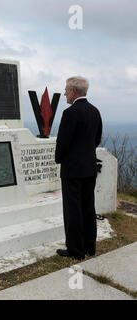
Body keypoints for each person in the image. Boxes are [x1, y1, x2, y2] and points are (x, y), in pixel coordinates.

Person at [55, 76, 102, 260]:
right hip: (89, 168)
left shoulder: (70, 113)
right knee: (88, 207)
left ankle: (75, 250)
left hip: (72, 170)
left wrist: (59, 159)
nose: (65, 92)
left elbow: (63, 143)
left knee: (73, 210)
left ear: (74, 91)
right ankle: (90, 246)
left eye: (66, 89)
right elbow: (96, 139)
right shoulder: (95, 111)